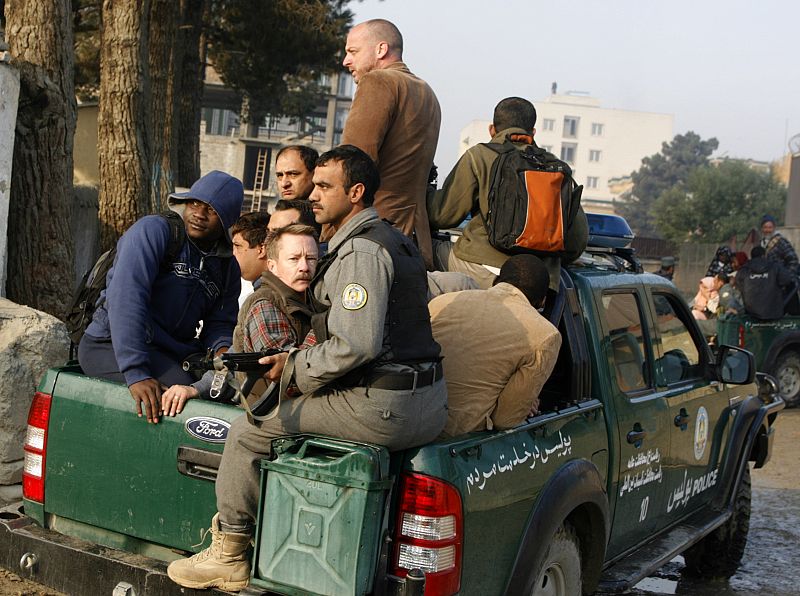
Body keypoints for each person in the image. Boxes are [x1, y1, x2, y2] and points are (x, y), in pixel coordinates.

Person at [167, 145, 447, 591]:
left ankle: (230, 554)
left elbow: (356, 345)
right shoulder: (395, 239)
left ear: (355, 192)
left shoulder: (361, 252)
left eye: (324, 186)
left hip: (383, 407)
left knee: (249, 431)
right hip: (425, 403)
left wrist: (293, 368)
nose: (312, 194)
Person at [77, 170, 243, 424]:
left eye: (211, 210)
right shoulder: (154, 230)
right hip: (109, 345)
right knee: (185, 404)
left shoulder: (227, 266)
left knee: (213, 392)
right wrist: (136, 373)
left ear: (227, 220)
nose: (199, 214)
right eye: (194, 203)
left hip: (167, 351)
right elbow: (127, 299)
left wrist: (220, 353)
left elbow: (221, 322)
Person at [427, 97, 588, 291]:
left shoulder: (480, 155)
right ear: (533, 132)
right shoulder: (555, 167)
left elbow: (442, 215)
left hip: (482, 268)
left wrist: (424, 191)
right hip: (538, 281)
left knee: (425, 249)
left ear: (492, 130)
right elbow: (577, 240)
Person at [161, 222, 319, 416]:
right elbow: (288, 377)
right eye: (294, 259)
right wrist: (324, 329)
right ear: (272, 266)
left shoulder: (310, 300)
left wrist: (197, 388)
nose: (304, 267)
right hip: (276, 417)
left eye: (311, 258)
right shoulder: (265, 305)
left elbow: (234, 356)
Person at [341, 19, 441, 269]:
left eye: (353, 51)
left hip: (373, 235)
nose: (346, 61)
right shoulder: (428, 93)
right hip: (416, 238)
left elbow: (352, 163)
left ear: (381, 49)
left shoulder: (378, 81)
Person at [429, 254, 561, 438]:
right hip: (459, 439)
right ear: (543, 301)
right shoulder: (545, 335)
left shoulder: (444, 301)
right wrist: (524, 403)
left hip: (415, 423)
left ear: (496, 281)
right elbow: (505, 419)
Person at [736, 245, 796, 320]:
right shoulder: (775, 266)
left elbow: (739, 285)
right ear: (764, 255)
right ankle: (795, 315)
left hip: (751, 313)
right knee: (793, 285)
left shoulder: (743, 269)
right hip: (773, 313)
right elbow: (787, 280)